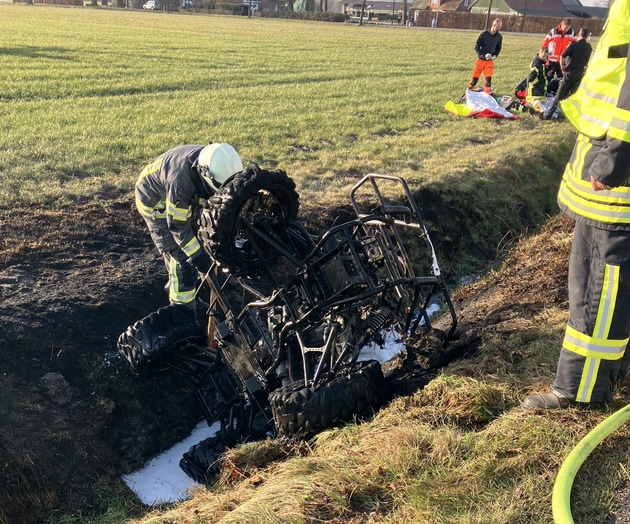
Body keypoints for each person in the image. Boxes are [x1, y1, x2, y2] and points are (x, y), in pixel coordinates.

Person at [522, 1, 630, 410]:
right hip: (614, 155)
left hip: (617, 171)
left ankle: (579, 389)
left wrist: (617, 156)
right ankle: (616, 370)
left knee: (599, 282)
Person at [135, 143, 243, 308]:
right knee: (180, 257)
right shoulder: (181, 185)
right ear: (205, 175)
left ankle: (187, 291)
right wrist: (199, 259)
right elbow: (178, 228)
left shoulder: (215, 161)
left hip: (177, 193)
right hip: (153, 199)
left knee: (196, 240)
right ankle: (182, 308)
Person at [542, 28, 592, 120]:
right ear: (587, 36)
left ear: (579, 34)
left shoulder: (573, 45)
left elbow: (562, 56)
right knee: (573, 95)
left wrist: (562, 67)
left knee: (559, 94)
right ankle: (570, 115)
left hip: (570, 73)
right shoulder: (589, 47)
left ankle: (549, 114)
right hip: (580, 74)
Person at [467, 18, 503, 95]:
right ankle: (470, 90)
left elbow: (498, 48)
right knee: (475, 78)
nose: (500, 28)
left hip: (489, 62)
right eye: (498, 26)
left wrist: (495, 56)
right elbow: (477, 47)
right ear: (494, 25)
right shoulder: (483, 35)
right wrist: (484, 54)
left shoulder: (499, 37)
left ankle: (487, 93)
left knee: (488, 79)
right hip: (480, 60)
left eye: (500, 26)